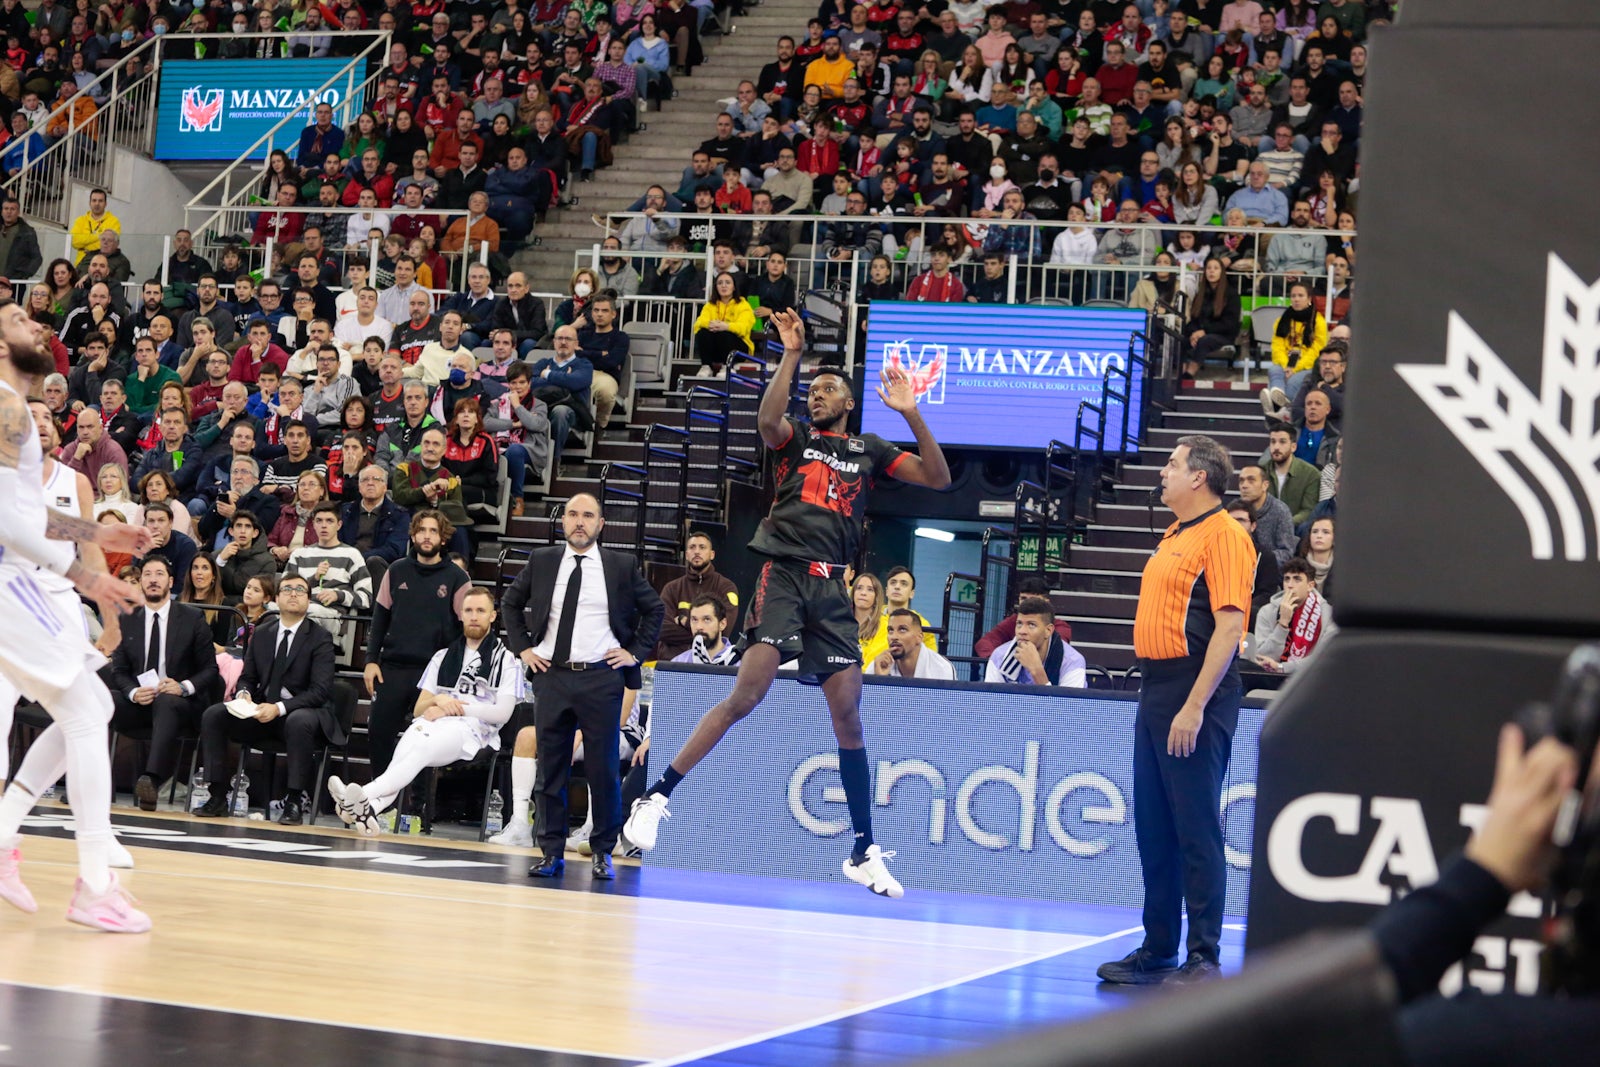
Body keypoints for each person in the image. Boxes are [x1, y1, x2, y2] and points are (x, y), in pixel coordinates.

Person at [623, 310, 950, 896]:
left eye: (828, 390)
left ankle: (863, 849)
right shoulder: (794, 438)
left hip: (833, 590)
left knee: (848, 715)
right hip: (785, 575)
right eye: (813, 390)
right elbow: (767, 417)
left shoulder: (870, 448)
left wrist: (910, 412)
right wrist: (791, 356)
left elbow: (937, 477)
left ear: (849, 402)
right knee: (748, 693)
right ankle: (655, 796)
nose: (817, 396)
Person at [0, 299, 153, 932]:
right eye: (15, 319)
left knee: (89, 711)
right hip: (15, 585)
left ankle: (10, 834)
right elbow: (10, 525)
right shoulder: (8, 406)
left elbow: (29, 514)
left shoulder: (12, 411)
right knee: (89, 713)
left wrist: (97, 535)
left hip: (20, 580)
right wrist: (87, 575)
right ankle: (94, 884)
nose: (35, 323)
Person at [1097, 435, 1255, 986]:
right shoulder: (1175, 533)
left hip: (1195, 691)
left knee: (1195, 828)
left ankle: (1204, 957)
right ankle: (1160, 946)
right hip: (1157, 688)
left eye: (1172, 463)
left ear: (1199, 477)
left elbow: (1231, 628)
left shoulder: (1227, 536)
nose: (1162, 471)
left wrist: (1193, 707)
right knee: (1155, 827)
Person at [500, 493, 664, 881]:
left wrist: (634, 653)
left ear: (600, 524)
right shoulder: (543, 561)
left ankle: (603, 851)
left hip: (600, 677)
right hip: (553, 675)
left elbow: (654, 609)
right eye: (573, 514)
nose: (579, 522)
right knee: (550, 768)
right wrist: (524, 648)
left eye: (588, 515)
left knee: (603, 768)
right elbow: (509, 602)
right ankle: (550, 851)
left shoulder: (620, 565)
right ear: (563, 521)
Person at [330, 587, 522, 835]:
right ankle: (369, 808)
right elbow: (421, 707)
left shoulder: (507, 661)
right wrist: (439, 701)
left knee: (418, 748)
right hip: (433, 722)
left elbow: (503, 714)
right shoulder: (443, 656)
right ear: (460, 615)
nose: (474, 616)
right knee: (413, 741)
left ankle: (360, 796)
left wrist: (456, 710)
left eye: (481, 611)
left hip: (474, 731)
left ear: (492, 616)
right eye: (469, 610)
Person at [193, 574, 339, 825]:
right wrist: (244, 694)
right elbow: (247, 677)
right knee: (214, 714)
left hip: (301, 712)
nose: (293, 594)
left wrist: (279, 708)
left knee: (299, 720)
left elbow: (320, 691)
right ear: (277, 598)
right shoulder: (261, 633)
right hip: (262, 711)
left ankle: (293, 801)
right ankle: (216, 795)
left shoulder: (320, 637)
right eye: (287, 589)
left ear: (308, 599)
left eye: (300, 590)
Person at [362, 509, 471, 776]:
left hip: (433, 673)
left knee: (425, 739)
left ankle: (416, 811)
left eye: (433, 531)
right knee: (379, 733)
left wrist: (452, 671)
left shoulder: (457, 578)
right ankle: (379, 802)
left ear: (443, 538)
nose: (426, 536)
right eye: (421, 530)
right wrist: (371, 661)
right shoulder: (396, 570)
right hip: (393, 668)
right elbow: (379, 619)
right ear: (413, 534)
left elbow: (465, 630)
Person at [105, 556, 220, 809]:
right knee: (105, 698)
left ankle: (151, 780)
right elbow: (120, 669)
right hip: (140, 703)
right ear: (141, 581)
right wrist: (133, 692)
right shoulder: (127, 618)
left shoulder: (192, 618)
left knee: (167, 700)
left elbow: (210, 669)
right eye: (147, 574)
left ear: (170, 581)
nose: (153, 579)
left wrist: (183, 687)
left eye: (159, 574)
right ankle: (89, 778)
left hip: (179, 705)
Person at [653, 529, 740, 660]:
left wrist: (684, 621)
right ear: (687, 554)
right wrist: (706, 634)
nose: (697, 551)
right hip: (672, 663)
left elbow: (724, 630)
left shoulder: (725, 587)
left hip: (711, 664)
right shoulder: (672, 588)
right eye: (692, 547)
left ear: (712, 554)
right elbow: (660, 629)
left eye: (702, 547)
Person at [1252, 557, 1335, 673]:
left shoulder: (1328, 614)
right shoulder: (1267, 611)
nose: (1290, 585)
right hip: (1270, 678)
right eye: (1287, 579)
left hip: (1312, 678)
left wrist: (1282, 668)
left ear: (1310, 586)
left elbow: (1323, 658)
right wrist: (1282, 625)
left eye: (1297, 579)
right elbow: (1262, 657)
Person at [983, 595, 1087, 686]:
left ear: (1048, 630)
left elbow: (1066, 708)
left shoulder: (1072, 662)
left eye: (1031, 625)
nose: (1022, 631)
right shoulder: (999, 657)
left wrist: (1036, 671)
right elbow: (992, 703)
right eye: (1019, 624)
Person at [1236, 462, 1298, 567]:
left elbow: (1287, 554)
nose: (1244, 486)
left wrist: (1255, 558)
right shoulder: (1235, 511)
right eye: (1241, 481)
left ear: (1265, 485)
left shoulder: (1280, 511)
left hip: (1270, 573)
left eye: (1251, 481)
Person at [868, 609, 956, 680]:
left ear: (919, 637)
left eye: (902, 630)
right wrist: (880, 680)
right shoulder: (878, 665)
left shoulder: (942, 668)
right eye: (890, 630)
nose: (893, 636)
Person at [1265, 424, 1320, 526]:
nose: (1276, 447)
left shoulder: (1311, 474)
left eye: (1282, 442)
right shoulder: (1261, 471)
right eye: (1273, 442)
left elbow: (1308, 510)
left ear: (1293, 447)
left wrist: (1284, 524)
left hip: (1296, 532)